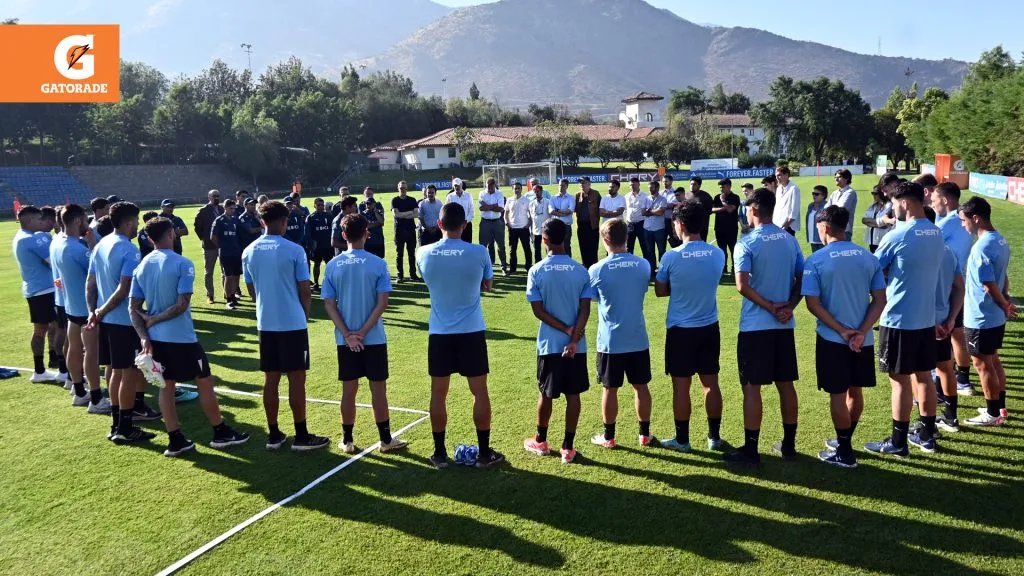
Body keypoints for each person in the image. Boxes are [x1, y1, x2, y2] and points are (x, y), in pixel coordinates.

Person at [129, 217, 250, 456]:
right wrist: (156, 320)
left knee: (166, 386)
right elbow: (182, 304)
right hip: (181, 338)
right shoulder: (182, 263)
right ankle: (220, 432)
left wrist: (144, 335)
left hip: (156, 339)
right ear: (171, 234)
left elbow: (133, 308)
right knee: (204, 382)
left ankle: (175, 440)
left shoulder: (141, 266)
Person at [416, 203, 505, 469]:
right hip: (471, 332)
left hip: (440, 333)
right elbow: (487, 285)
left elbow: (429, 281)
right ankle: (485, 454)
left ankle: (440, 454)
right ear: (464, 225)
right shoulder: (479, 252)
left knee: (438, 394)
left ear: (439, 224)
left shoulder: (424, 252)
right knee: (479, 392)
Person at [864, 181, 945, 457]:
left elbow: (872, 269)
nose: (893, 209)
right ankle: (927, 433)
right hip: (925, 317)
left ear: (905, 203)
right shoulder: (936, 233)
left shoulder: (898, 235)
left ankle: (898, 442)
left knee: (899, 381)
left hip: (898, 318)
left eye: (895, 203)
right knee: (924, 376)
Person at [802, 206, 886, 469]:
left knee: (837, 394)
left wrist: (841, 330)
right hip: (862, 340)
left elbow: (813, 304)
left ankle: (845, 451)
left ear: (824, 228)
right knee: (855, 390)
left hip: (832, 339)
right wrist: (861, 331)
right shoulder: (868, 257)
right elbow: (880, 300)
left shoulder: (816, 260)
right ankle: (845, 441)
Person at [724, 188, 804, 466]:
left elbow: (742, 286)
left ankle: (751, 449)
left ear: (754, 209)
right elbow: (802, 278)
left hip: (756, 327)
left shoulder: (746, 243)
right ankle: (789, 446)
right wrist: (789, 306)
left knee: (752, 388)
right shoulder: (790, 241)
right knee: (786, 385)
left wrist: (771, 307)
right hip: (784, 326)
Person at [242, 200, 330, 452]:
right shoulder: (294, 250)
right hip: (292, 323)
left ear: (262, 221)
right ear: (283, 221)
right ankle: (301, 434)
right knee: (296, 379)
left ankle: (273, 434)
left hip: (265, 322)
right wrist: (304, 315)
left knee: (271, 379)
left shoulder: (249, 251)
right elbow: (305, 289)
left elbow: (251, 289)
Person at [322, 214, 409, 454]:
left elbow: (329, 304)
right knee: (378, 390)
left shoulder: (333, 265)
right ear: (366, 234)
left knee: (348, 391)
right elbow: (383, 303)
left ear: (343, 236)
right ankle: (386, 440)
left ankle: (347, 440)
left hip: (345, 341)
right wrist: (362, 332)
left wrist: (349, 335)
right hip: (374, 339)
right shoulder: (378, 263)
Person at [654, 200, 727, 452]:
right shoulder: (718, 254)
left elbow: (661, 291)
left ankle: (682, 440)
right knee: (711, 383)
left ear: (680, 224)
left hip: (680, 330)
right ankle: (714, 438)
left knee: (681, 386)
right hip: (709, 326)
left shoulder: (671, 256)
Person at [87, 201, 161, 444]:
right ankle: (125, 427)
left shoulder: (100, 245)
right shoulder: (128, 249)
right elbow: (125, 287)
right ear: (129, 221)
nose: (137, 226)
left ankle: (117, 423)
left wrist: (94, 311)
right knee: (127, 374)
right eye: (136, 221)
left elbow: (90, 283)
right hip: (123, 320)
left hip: (108, 321)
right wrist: (100, 310)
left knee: (116, 372)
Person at [522, 219, 593, 463]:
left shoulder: (536, 270)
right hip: (576, 346)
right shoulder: (581, 270)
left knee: (546, 393)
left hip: (550, 345)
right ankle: (568, 447)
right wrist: (573, 338)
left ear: (544, 240)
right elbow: (585, 310)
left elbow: (538, 311)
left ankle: (540, 441)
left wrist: (564, 329)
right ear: (565, 238)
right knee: (574, 395)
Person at [588, 219, 655, 449]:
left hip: (610, 341)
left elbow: (594, 298)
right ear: (627, 238)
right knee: (641, 386)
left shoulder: (596, 269)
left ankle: (609, 437)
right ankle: (644, 434)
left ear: (605, 240)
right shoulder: (643, 265)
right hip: (637, 337)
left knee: (610, 389)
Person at [959, 197, 1014, 427]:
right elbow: (1004, 276)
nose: (963, 226)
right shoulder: (999, 240)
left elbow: (988, 284)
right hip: (994, 316)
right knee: (993, 359)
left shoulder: (981, 247)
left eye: (964, 221)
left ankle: (992, 414)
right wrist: (1005, 301)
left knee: (982, 363)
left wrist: (1004, 304)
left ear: (975, 218)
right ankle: (999, 407)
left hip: (981, 315)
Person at [52, 204, 111, 412]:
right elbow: (99, 271)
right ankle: (96, 398)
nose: (88, 224)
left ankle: (78, 391)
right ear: (78, 221)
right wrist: (94, 246)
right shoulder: (77, 249)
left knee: (75, 348)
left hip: (70, 305)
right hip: (86, 308)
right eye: (85, 221)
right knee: (91, 354)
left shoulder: (58, 242)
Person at [920, 207, 965, 434]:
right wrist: (951, 319)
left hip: (921, 321)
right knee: (945, 367)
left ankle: (925, 426)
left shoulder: (917, 251)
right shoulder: (948, 251)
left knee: (919, 375)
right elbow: (959, 287)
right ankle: (950, 417)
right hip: (943, 320)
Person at [931, 182, 975, 396]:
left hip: (944, 285)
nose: (932, 202)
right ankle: (963, 379)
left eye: (934, 199)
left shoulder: (948, 222)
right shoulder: (961, 219)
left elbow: (926, 242)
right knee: (957, 333)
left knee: (941, 336)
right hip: (959, 283)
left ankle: (939, 386)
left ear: (945, 200)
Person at [13, 205, 59, 383]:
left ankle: (40, 370)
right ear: (30, 220)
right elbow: (52, 262)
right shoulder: (32, 240)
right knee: (59, 327)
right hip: (45, 289)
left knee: (40, 330)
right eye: (39, 219)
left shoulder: (21, 237)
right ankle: (62, 368)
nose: (42, 222)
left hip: (34, 289)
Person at [211, 199, 243, 310]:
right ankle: (228, 299)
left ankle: (234, 296)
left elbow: (239, 235)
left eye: (234, 208)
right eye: (231, 208)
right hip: (226, 253)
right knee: (228, 276)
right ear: (225, 208)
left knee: (236, 275)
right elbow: (213, 237)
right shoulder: (219, 220)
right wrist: (221, 246)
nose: (233, 210)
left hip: (236, 252)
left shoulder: (235, 220)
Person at [193, 190, 223, 304]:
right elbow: (197, 227)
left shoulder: (222, 209)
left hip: (223, 245)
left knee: (225, 271)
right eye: (214, 196)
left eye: (218, 196)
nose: (216, 198)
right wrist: (204, 238)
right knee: (209, 271)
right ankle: (210, 295)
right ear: (209, 197)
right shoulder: (203, 210)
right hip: (210, 246)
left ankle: (228, 294)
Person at [478, 178, 509, 275]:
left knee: (501, 246)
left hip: (497, 222)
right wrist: (493, 205)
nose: (489, 190)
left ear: (494, 186)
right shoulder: (482, 193)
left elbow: (500, 209)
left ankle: (503, 267)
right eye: (487, 188)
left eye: (491, 188)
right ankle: (482, 268)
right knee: (482, 246)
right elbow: (481, 208)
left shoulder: (499, 194)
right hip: (485, 222)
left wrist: (488, 206)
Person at [391, 181, 420, 283]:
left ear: (407, 189)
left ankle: (413, 274)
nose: (403, 190)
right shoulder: (395, 200)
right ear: (398, 188)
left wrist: (403, 214)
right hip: (399, 231)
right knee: (400, 254)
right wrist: (409, 213)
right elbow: (396, 215)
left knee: (412, 253)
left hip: (411, 230)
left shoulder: (412, 200)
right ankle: (400, 276)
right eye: (401, 188)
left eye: (404, 188)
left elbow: (416, 214)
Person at [712, 178, 741, 273]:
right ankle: (724, 268)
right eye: (720, 187)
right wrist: (724, 208)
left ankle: (734, 268)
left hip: (731, 228)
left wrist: (723, 201)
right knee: (722, 250)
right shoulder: (717, 197)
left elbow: (730, 210)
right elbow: (712, 210)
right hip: (719, 228)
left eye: (723, 187)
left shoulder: (735, 197)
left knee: (733, 249)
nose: (721, 189)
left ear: (729, 186)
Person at [305, 198, 334, 291]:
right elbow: (308, 234)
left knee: (329, 265)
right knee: (317, 264)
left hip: (328, 246)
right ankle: (316, 283)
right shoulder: (311, 217)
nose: (321, 207)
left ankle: (331, 283)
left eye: (322, 205)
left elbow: (333, 230)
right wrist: (310, 246)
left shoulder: (329, 216)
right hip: (317, 247)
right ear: (314, 206)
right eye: (318, 205)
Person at [641, 180, 668, 277]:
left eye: (651, 187)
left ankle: (662, 270)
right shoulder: (646, 199)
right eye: (649, 187)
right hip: (647, 229)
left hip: (659, 229)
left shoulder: (663, 199)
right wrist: (653, 212)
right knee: (650, 251)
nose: (650, 189)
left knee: (661, 250)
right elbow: (643, 212)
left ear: (657, 188)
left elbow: (661, 212)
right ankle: (652, 270)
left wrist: (649, 212)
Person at [505, 181, 533, 274]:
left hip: (524, 229)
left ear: (521, 189)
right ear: (513, 189)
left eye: (518, 188)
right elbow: (506, 213)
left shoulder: (526, 200)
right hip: (513, 229)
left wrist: (528, 225)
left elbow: (531, 215)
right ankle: (513, 269)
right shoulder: (509, 200)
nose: (517, 190)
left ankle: (528, 267)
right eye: (515, 188)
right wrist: (507, 223)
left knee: (527, 249)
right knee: (512, 250)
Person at [575, 176, 602, 268]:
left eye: (584, 183)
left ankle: (594, 265)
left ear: (589, 184)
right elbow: (575, 209)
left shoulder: (596, 194)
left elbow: (601, 208)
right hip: (581, 225)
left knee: (593, 247)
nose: (582, 185)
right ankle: (585, 265)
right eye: (580, 183)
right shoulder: (578, 195)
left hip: (592, 225)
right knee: (583, 246)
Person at [549, 178, 576, 257]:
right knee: (555, 247)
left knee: (566, 246)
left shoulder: (571, 198)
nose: (561, 187)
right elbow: (551, 211)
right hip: (555, 227)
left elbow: (570, 210)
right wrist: (563, 213)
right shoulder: (553, 198)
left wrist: (558, 210)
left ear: (567, 186)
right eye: (560, 185)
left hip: (566, 226)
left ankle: (569, 265)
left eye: (563, 186)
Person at [827, 169, 857, 236]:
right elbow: (826, 208)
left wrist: (831, 209)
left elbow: (841, 209)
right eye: (835, 177)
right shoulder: (834, 193)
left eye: (839, 177)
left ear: (846, 178)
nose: (836, 179)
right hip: (832, 228)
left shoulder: (850, 192)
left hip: (844, 230)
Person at [623, 177, 648, 257]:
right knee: (629, 247)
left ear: (639, 184)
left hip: (642, 224)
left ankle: (648, 267)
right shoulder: (626, 196)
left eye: (634, 184)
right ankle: (630, 266)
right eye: (630, 185)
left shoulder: (645, 196)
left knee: (645, 246)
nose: (632, 187)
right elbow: (625, 209)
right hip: (630, 224)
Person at [359, 187, 386, 259]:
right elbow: (364, 225)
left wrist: (375, 211)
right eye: (367, 194)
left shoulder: (378, 204)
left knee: (380, 258)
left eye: (371, 194)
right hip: (367, 240)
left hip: (378, 238)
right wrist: (377, 224)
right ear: (364, 194)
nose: (369, 195)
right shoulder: (361, 206)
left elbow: (382, 222)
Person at [773, 166, 801, 235]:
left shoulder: (794, 189)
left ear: (786, 175)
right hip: (778, 225)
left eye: (779, 175)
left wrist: (785, 225)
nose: (777, 178)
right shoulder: (779, 188)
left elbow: (794, 211)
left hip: (788, 227)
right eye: (776, 176)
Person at [445, 178, 475, 243]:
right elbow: (447, 211)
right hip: (454, 225)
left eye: (458, 185)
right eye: (455, 185)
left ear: (461, 185)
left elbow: (471, 210)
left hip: (467, 224)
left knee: (467, 244)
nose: (457, 187)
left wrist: (465, 221)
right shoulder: (450, 197)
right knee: (456, 245)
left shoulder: (468, 195)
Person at [862, 186, 890, 253]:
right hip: (872, 240)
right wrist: (879, 223)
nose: (873, 195)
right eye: (872, 193)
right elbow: (863, 220)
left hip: (883, 240)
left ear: (881, 193)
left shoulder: (888, 205)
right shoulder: (872, 206)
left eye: (875, 193)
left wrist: (870, 221)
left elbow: (885, 225)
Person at [528, 181, 552, 261]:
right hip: (535, 230)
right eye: (534, 192)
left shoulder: (548, 202)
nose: (536, 193)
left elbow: (551, 215)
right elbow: (530, 217)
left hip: (546, 229)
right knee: (537, 249)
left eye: (537, 191)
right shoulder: (531, 203)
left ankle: (549, 261)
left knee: (548, 247)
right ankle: (538, 263)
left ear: (541, 191)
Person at [686, 176, 713, 241]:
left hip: (702, 227)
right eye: (691, 184)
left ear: (699, 186)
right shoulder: (686, 195)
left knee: (701, 247)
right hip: (688, 227)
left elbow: (710, 210)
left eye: (694, 184)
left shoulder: (706, 196)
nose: (692, 186)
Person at [806, 186, 828, 252]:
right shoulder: (811, 205)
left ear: (823, 196)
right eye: (813, 193)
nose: (814, 196)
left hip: (822, 240)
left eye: (817, 194)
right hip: (812, 238)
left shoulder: (827, 206)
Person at [663, 175, 680, 247]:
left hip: (671, 222)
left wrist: (661, 207)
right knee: (661, 244)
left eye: (666, 181)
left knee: (675, 242)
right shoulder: (660, 193)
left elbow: (673, 205)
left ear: (671, 181)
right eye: (663, 181)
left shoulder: (676, 193)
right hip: (661, 222)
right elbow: (669, 205)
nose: (664, 183)